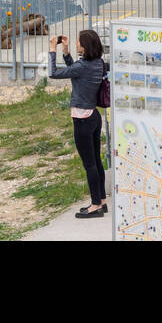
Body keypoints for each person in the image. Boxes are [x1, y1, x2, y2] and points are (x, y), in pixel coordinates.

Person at [49, 29, 108, 218]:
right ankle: (102, 201)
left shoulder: (83, 66)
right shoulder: (98, 63)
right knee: (97, 161)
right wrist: (66, 53)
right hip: (94, 116)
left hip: (82, 118)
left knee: (89, 164)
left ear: (85, 46)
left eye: (78, 42)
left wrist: (53, 50)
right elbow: (76, 72)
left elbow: (53, 73)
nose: (76, 44)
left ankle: (95, 205)